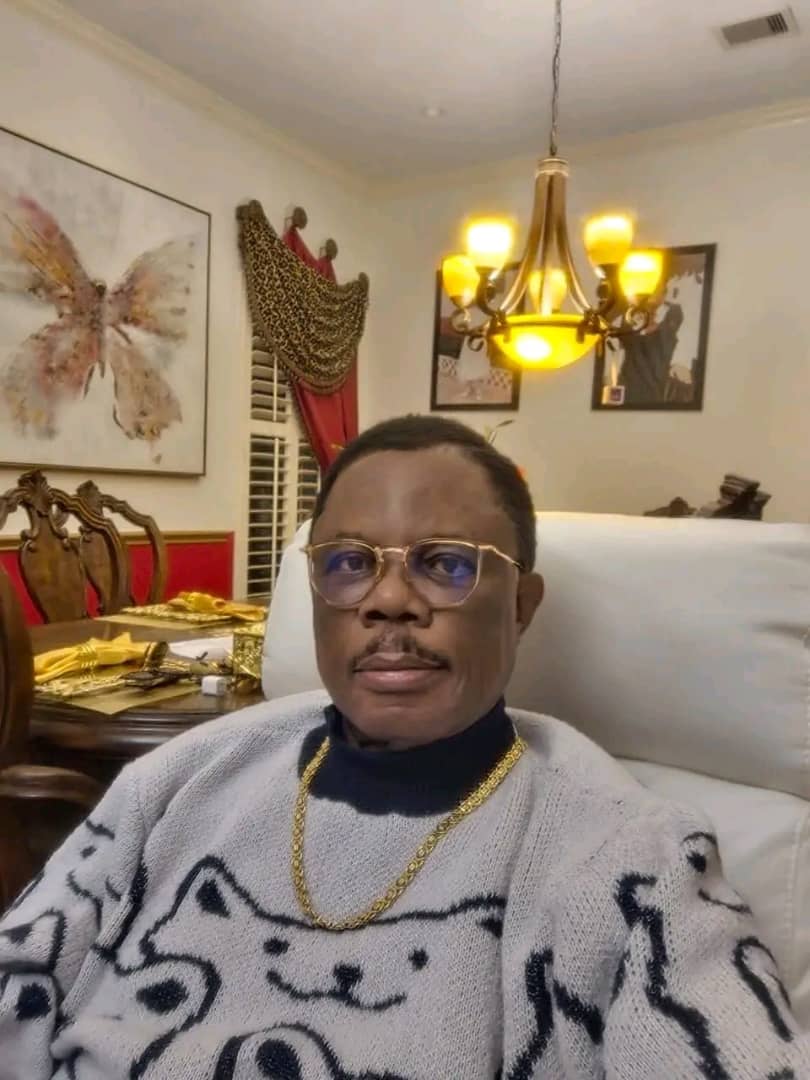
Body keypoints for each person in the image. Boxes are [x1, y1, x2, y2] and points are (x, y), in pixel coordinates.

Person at [1, 414, 807, 1079]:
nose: (388, 599)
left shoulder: (631, 864)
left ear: (521, 606)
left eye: (447, 565)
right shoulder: (178, 781)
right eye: (349, 563)